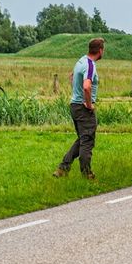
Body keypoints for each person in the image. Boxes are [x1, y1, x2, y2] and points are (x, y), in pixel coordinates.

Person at [53, 37, 104, 180]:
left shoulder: (80, 61)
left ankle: (63, 168)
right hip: (83, 108)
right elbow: (87, 86)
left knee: (82, 139)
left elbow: (72, 77)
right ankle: (86, 173)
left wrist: (76, 93)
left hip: (74, 105)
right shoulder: (90, 65)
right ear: (100, 50)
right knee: (87, 141)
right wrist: (88, 104)